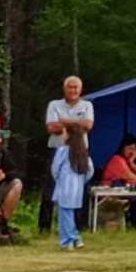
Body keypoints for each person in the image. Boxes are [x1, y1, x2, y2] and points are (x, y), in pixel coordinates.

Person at [45, 76, 96, 251]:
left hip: (65, 186)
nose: (73, 91)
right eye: (70, 87)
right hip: (76, 186)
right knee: (68, 210)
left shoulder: (87, 105)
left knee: (65, 212)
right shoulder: (54, 105)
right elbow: (51, 127)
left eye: (76, 88)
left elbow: (88, 125)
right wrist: (77, 123)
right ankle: (73, 236)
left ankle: (69, 239)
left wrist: (65, 122)